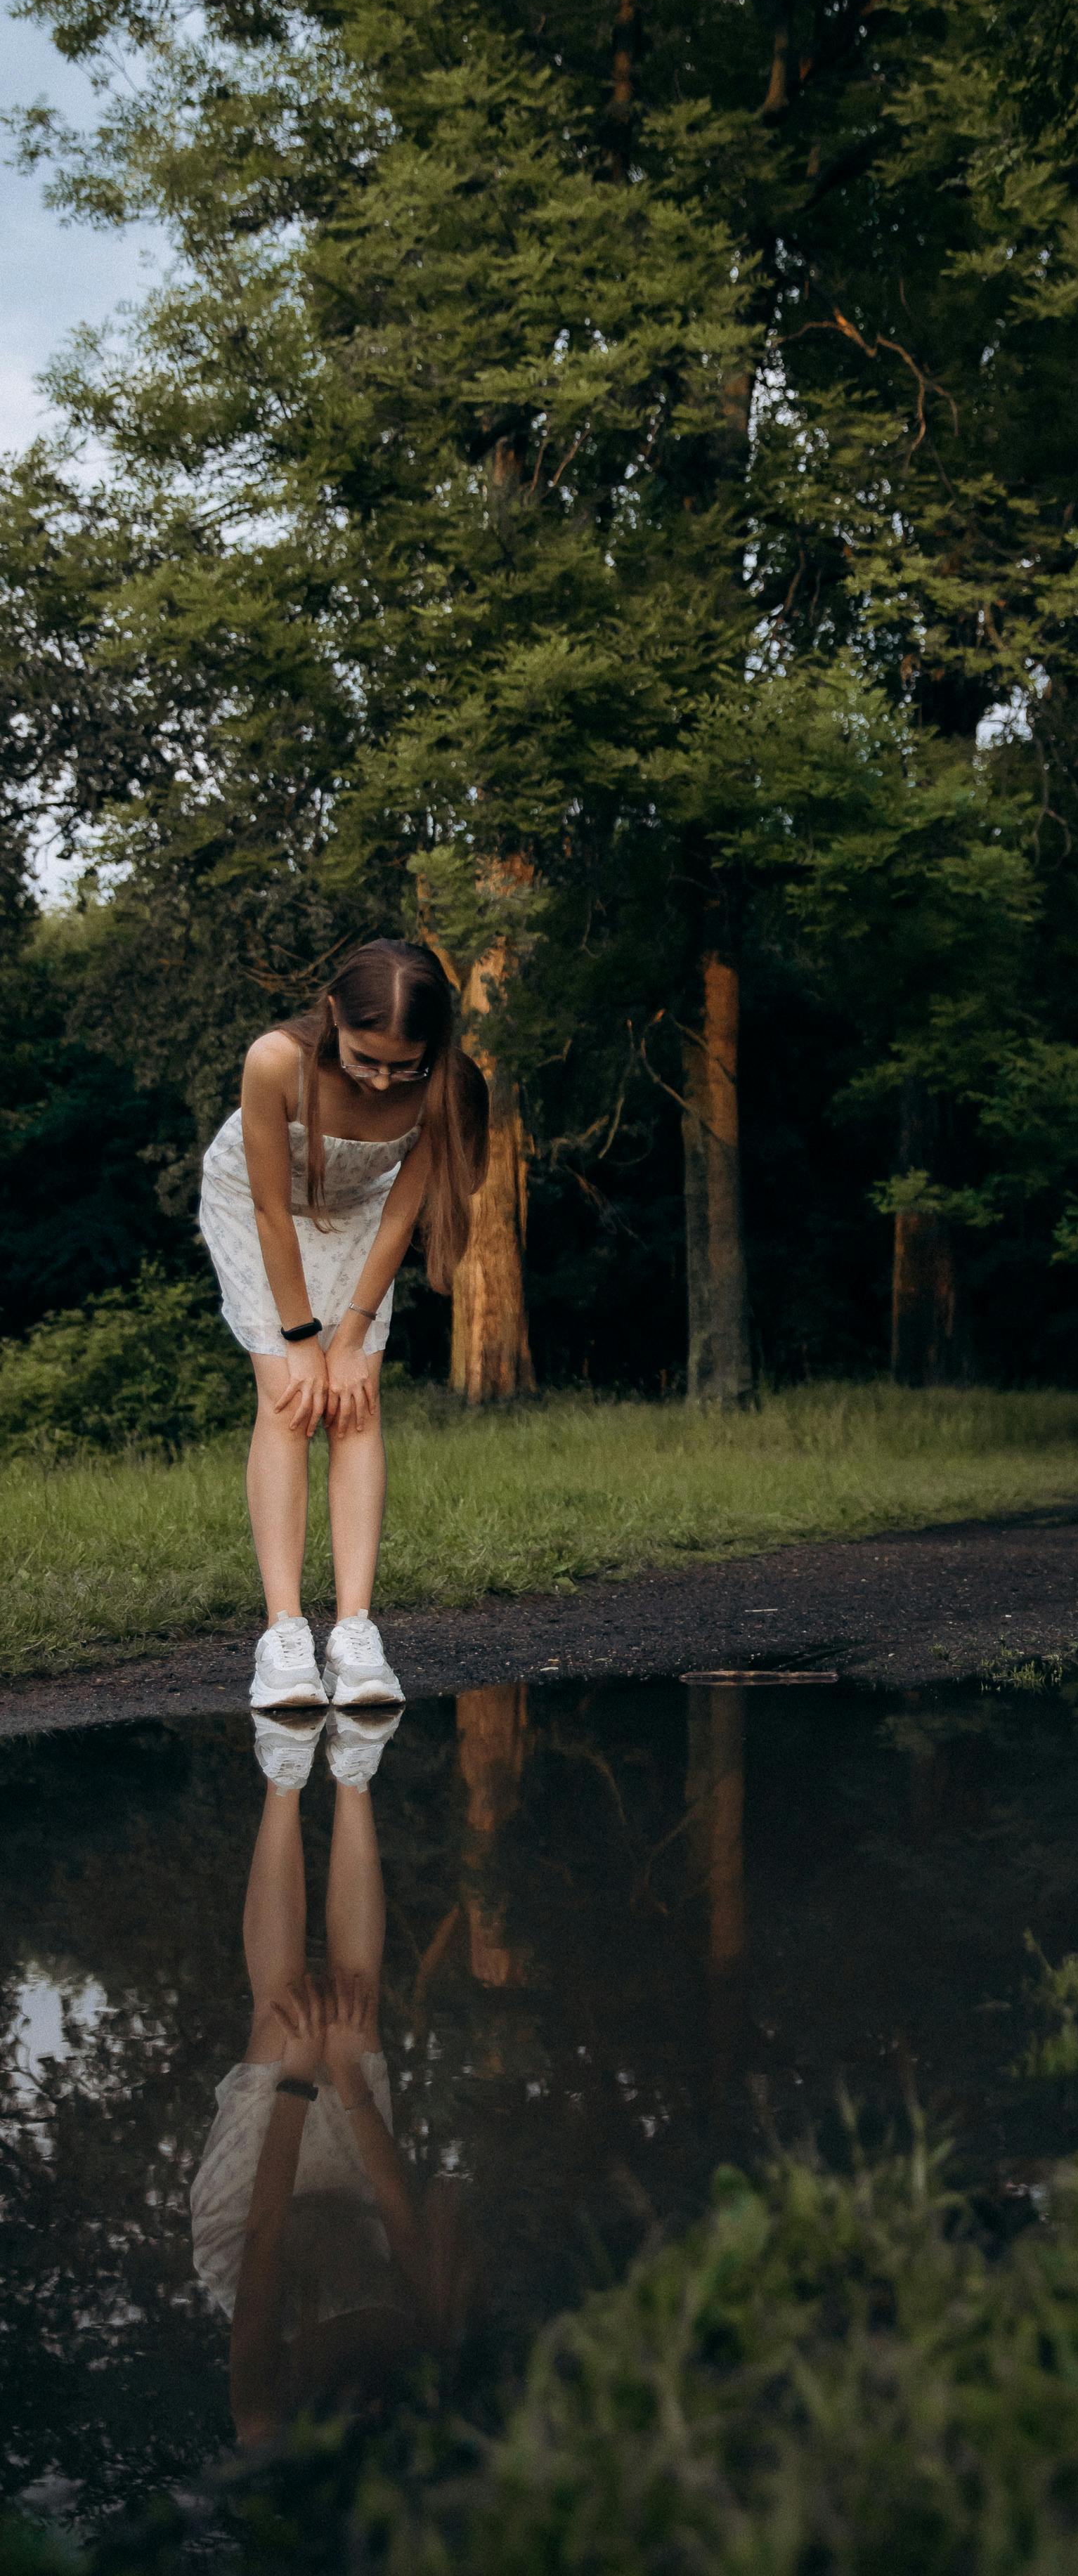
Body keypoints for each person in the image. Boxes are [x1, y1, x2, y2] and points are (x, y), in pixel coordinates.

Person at [198, 938, 488, 1712]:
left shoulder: (445, 1084)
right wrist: (301, 1343)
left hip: (360, 1214)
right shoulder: (274, 1063)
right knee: (290, 1401)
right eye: (367, 1059)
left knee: (357, 1403)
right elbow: (269, 1209)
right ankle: (285, 1636)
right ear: (332, 1014)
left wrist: (350, 1337)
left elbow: (403, 1206)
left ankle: (355, 1634)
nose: (385, 1078)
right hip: (256, 1210)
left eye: (405, 1063)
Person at [190, 1710, 474, 2442]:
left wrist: (294, 2077)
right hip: (358, 2210)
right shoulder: (425, 2382)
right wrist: (345, 2079)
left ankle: (284, 1772)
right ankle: (353, 1770)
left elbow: (262, 2232)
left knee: (283, 2018)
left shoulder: (265, 2413)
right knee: (353, 2010)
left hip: (254, 2228)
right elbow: (407, 2225)